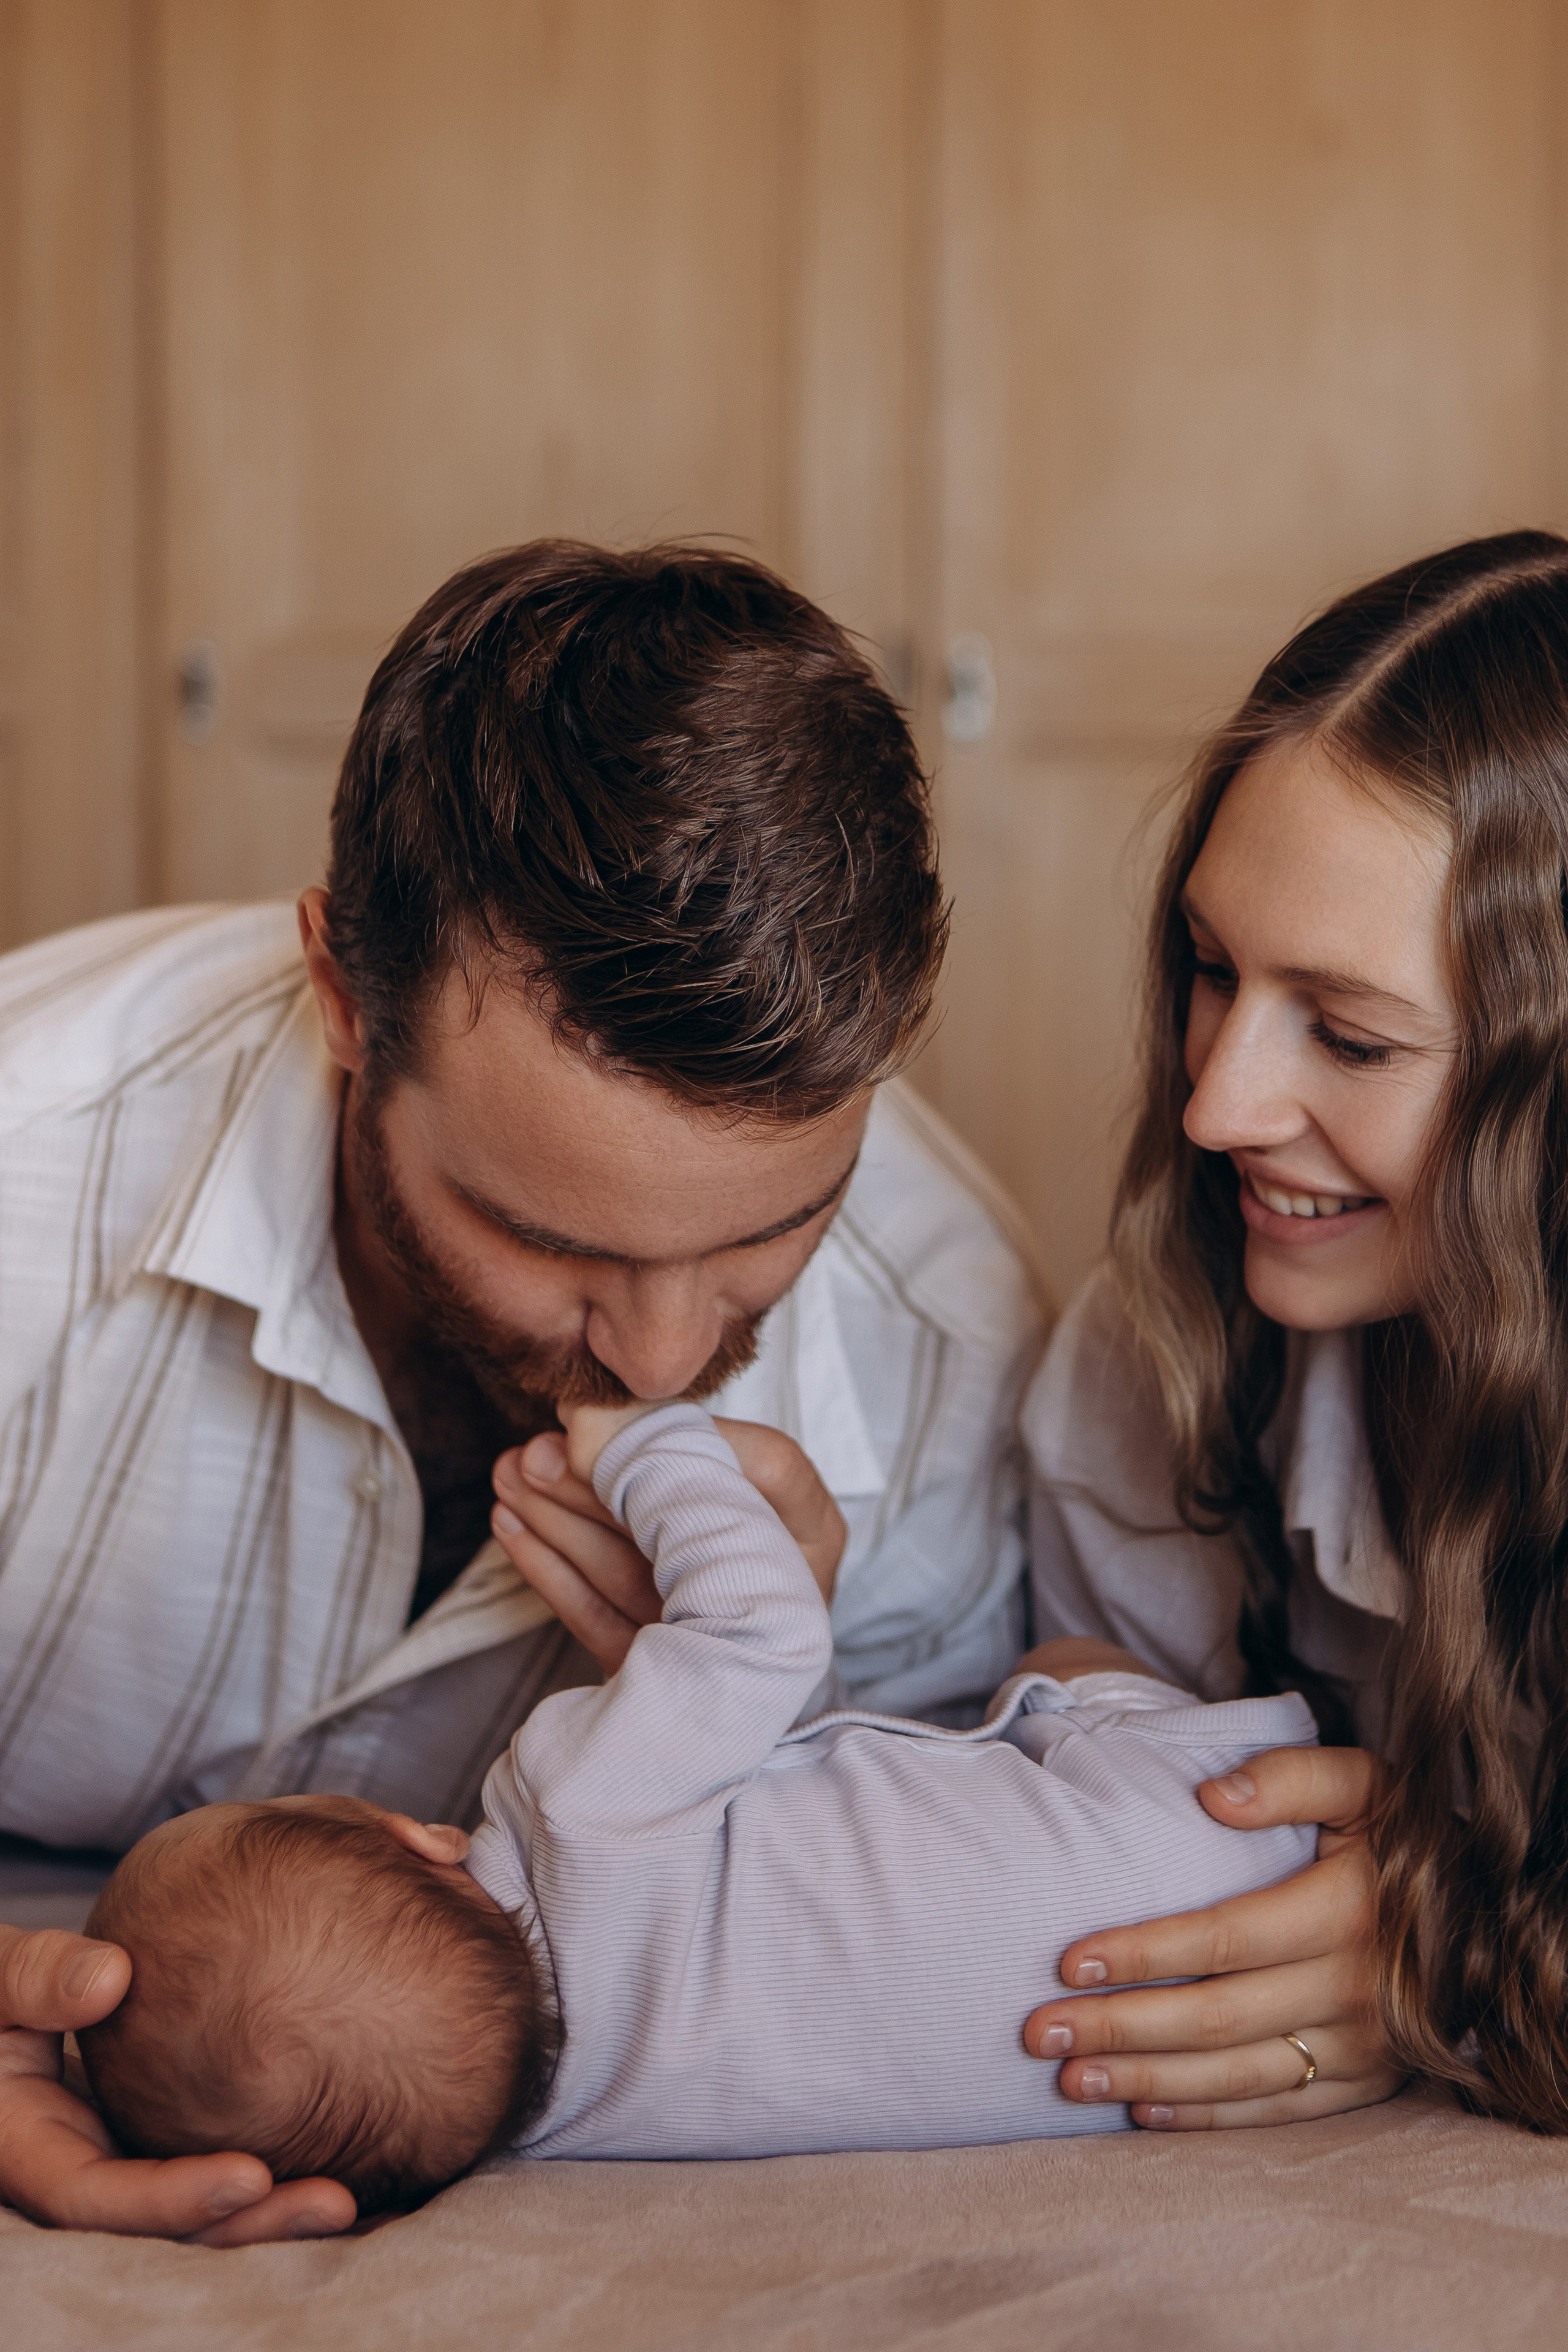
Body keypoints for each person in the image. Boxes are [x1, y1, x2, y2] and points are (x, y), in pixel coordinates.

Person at [0, 541, 1046, 2241]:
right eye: (544, 1237)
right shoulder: (23, 1188)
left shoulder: (945, 1361)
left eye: (776, 1231)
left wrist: (793, 1721)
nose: (656, 1353)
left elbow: (933, 1891)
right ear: (346, 996)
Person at [70, 1399, 1316, 2203]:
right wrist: (650, 1454)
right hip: (1207, 1824)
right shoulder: (570, 1805)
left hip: (1175, 2052)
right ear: (415, 1837)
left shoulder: (570, 2130)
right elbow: (764, 1631)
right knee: (1056, 1665)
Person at [1019, 530, 1568, 2136]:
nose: (1216, 1104)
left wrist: (1449, 1946)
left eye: (1347, 1033)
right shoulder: (1161, 1344)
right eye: (1210, 971)